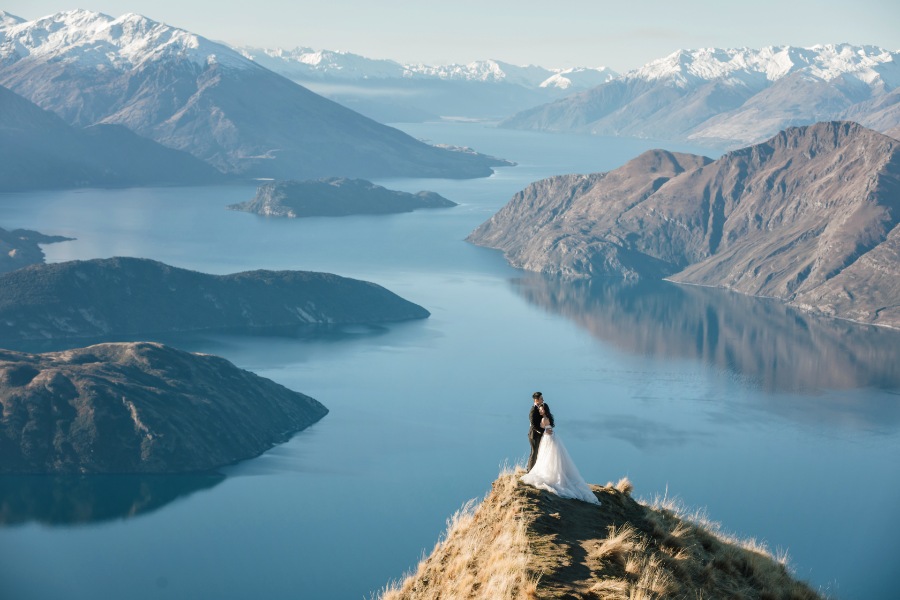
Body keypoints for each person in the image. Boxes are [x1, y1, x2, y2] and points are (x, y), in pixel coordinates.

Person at [521, 402, 600, 505]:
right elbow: (548, 428)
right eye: (540, 409)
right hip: (552, 438)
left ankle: (551, 475)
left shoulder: (544, 419)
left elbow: (541, 428)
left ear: (545, 410)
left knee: (547, 457)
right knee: (551, 458)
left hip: (548, 439)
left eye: (542, 409)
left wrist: (539, 428)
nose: (540, 411)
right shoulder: (547, 417)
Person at [526, 391, 547, 472]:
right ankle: (529, 471)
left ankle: (533, 470)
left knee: (537, 452)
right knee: (534, 453)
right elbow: (533, 424)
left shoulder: (539, 408)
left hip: (538, 434)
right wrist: (540, 432)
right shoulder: (533, 410)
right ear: (536, 400)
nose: (543, 400)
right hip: (533, 435)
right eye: (541, 398)